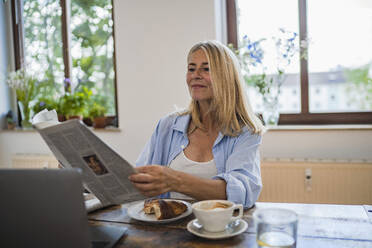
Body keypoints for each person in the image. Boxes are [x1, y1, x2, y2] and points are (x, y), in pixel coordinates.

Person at [129, 40, 265, 208]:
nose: (195, 75)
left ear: (226, 77)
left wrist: (175, 180)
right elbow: (139, 177)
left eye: (206, 69)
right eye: (191, 69)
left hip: (219, 229)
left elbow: (242, 193)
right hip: (167, 228)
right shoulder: (167, 125)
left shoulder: (246, 132)